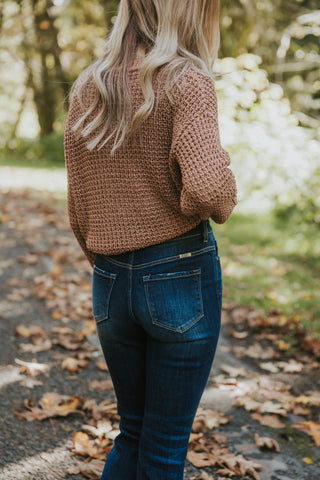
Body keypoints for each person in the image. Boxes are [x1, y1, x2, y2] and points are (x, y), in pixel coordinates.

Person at [64, 0, 237, 478]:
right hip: (179, 273)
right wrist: (221, 187)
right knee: (163, 448)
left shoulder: (89, 85)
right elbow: (209, 190)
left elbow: (80, 208)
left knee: (132, 433)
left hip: (110, 280)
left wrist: (112, 267)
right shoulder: (187, 79)